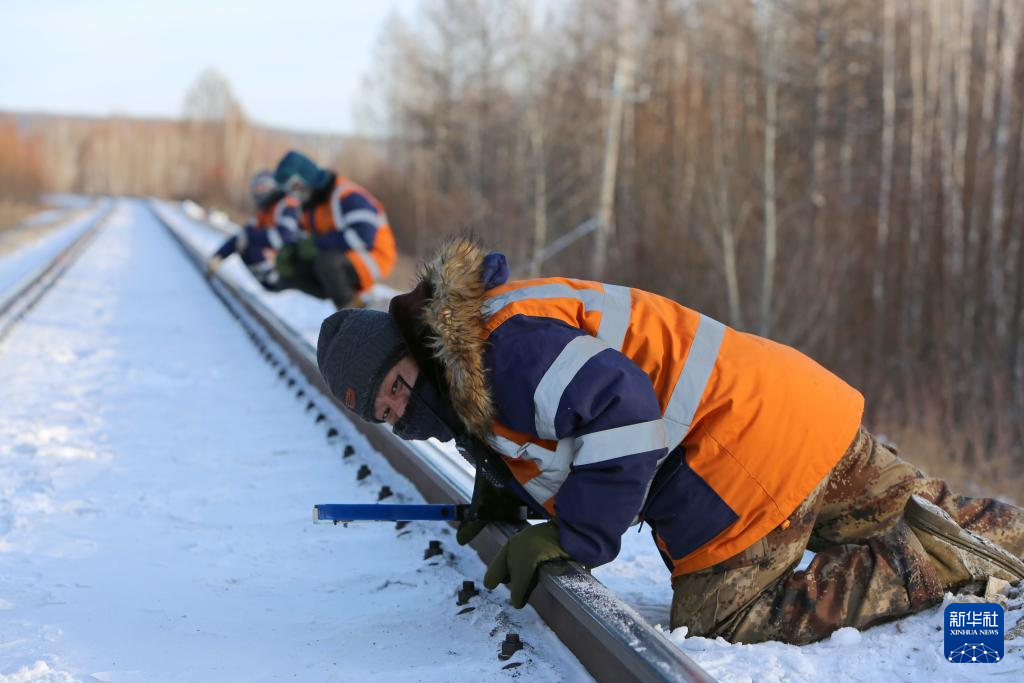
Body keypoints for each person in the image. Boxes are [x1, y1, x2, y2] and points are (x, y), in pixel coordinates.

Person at [314, 237, 1024, 645]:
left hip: (738, 457)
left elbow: (621, 408)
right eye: (387, 411)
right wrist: (500, 484)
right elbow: (554, 424)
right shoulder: (479, 338)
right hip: (792, 401)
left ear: (413, 345)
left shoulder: (502, 354)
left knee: (722, 616)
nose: (404, 408)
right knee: (924, 504)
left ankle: (916, 563)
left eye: (399, 384)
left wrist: (579, 538)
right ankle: (987, 533)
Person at [272, 150, 396, 309]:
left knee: (327, 261)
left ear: (306, 177)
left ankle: (352, 312)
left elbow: (363, 237)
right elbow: (303, 237)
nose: (294, 194)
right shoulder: (310, 206)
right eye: (289, 190)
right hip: (340, 257)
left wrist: (317, 244)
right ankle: (347, 301)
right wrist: (291, 250)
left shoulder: (347, 195)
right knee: (295, 267)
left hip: (375, 257)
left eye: (295, 186)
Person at [207, 170, 300, 290]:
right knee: (245, 245)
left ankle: (277, 279)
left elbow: (282, 237)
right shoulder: (266, 210)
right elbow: (244, 235)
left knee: (253, 244)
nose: (259, 192)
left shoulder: (288, 205)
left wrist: (251, 235)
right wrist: (219, 255)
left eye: (262, 188)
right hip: (279, 257)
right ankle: (270, 279)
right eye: (257, 189)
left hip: (293, 261)